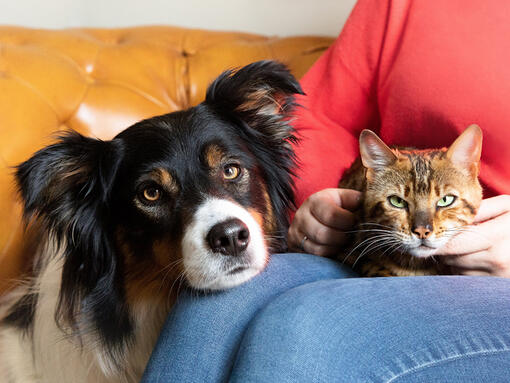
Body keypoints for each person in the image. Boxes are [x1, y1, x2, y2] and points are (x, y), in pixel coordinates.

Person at [142, 0, 510, 381]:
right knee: (212, 309)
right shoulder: (401, 6)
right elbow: (321, 118)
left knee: (302, 329)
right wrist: (317, 202)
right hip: (375, 238)